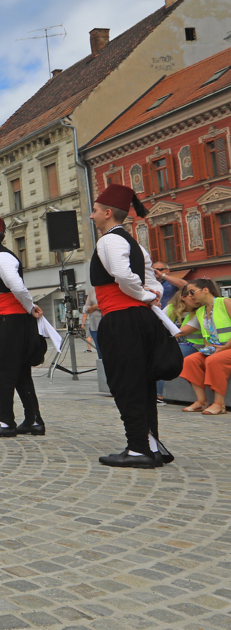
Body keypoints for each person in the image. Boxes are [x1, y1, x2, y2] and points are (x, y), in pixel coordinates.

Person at [87, 184, 172, 467]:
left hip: (122, 319)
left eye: (95, 210)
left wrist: (145, 295)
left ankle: (139, 449)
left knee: (126, 383)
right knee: (143, 384)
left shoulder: (108, 241)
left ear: (108, 213)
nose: (91, 215)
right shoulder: (135, 244)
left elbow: (124, 276)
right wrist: (152, 295)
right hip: (141, 319)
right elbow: (151, 278)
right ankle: (151, 444)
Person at [0, 214, 47, 439]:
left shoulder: (1, 257)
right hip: (9, 318)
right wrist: (28, 307)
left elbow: (16, 285)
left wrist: (28, 307)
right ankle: (33, 420)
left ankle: (6, 422)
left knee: (1, 369)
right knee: (20, 372)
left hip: (9, 320)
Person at [176, 279, 231, 414]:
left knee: (213, 360)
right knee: (190, 361)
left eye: (192, 291)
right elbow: (207, 335)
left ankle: (219, 404)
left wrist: (223, 348)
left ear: (205, 290)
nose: (191, 295)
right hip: (216, 348)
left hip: (227, 347)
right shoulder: (200, 311)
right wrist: (208, 349)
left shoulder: (224, 302)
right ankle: (202, 401)